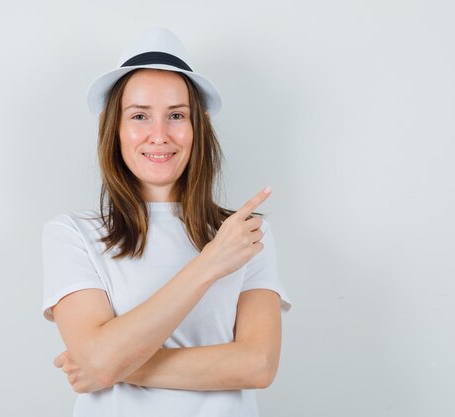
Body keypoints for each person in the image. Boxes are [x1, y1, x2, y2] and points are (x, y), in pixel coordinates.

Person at [42, 28, 291, 417]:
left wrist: (113, 365)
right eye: (140, 116)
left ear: (198, 128)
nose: (159, 135)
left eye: (176, 115)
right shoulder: (72, 233)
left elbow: (257, 365)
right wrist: (210, 264)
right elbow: (97, 361)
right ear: (115, 128)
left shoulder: (245, 233)